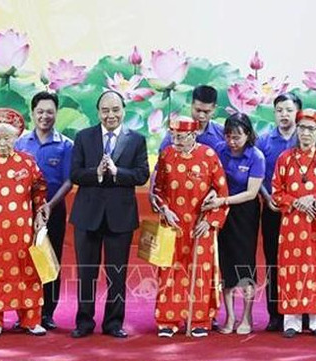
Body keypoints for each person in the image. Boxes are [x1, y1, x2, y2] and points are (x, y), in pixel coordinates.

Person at [69, 90, 150, 338]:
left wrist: (117, 172)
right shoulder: (84, 137)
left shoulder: (136, 139)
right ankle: (84, 322)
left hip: (120, 216)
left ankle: (114, 323)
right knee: (86, 272)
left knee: (117, 273)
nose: (110, 115)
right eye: (105, 110)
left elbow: (141, 174)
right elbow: (75, 174)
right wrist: (98, 172)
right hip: (87, 215)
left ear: (123, 110)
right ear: (98, 112)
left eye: (115, 110)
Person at [0, 108, 49, 336]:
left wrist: (40, 213)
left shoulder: (27, 162)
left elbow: (39, 188)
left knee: (28, 273)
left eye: (7, 137)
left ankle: (30, 320)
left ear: (16, 138)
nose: (3, 142)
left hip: (24, 233)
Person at [153, 117, 229, 337]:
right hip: (172, 223)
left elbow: (221, 193)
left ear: (193, 135)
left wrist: (209, 221)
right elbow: (157, 190)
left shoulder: (208, 156)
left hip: (200, 226)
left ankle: (200, 320)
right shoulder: (166, 155)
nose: (175, 140)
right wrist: (165, 210)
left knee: (201, 272)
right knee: (169, 270)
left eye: (181, 136)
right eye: (173, 136)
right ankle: (168, 319)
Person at [271, 108, 316, 338]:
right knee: (291, 268)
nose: (305, 133)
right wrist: (296, 201)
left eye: (311, 129)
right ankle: (291, 320)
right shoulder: (284, 159)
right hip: (292, 224)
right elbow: (276, 192)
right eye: (302, 128)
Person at [15, 91, 74, 330]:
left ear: (56, 113)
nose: (45, 116)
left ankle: (47, 312)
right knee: (24, 261)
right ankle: (25, 312)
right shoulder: (20, 143)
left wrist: (49, 205)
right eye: (40, 111)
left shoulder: (66, 145)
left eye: (50, 112)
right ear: (32, 113)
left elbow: (69, 181)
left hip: (53, 211)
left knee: (50, 260)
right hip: (21, 213)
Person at [210, 113, 265, 335]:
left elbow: (252, 193)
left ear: (248, 135)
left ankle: (246, 315)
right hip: (222, 212)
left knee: (244, 264)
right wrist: (218, 200)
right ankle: (230, 316)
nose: (232, 142)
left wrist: (223, 200)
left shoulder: (256, 156)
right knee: (226, 264)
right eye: (229, 136)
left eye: (237, 137)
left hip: (245, 213)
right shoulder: (219, 151)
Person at [256, 92, 301, 332]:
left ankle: (303, 311)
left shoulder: (306, 138)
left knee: (300, 261)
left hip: (300, 212)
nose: (284, 115)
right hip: (272, 208)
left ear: (298, 113)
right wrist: (267, 197)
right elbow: (259, 175)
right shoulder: (264, 141)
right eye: (279, 110)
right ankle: (275, 314)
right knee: (274, 261)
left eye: (289, 110)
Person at [157, 85, 225, 153]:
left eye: (206, 112)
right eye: (198, 110)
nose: (201, 116)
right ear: (192, 105)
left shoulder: (222, 133)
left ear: (214, 109)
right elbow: (162, 158)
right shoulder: (175, 132)